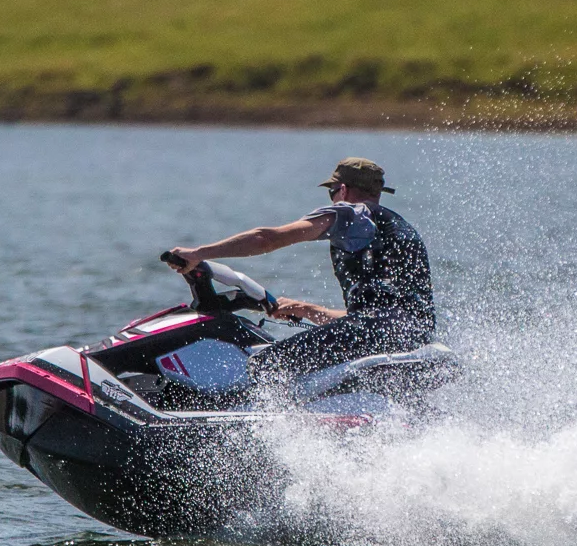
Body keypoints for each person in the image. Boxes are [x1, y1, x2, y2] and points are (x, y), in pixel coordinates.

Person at [166, 157, 435, 385]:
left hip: (378, 332)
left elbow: (267, 238)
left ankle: (262, 437)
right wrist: (307, 310)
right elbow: (378, 317)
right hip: (412, 335)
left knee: (266, 366)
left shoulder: (349, 214)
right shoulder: (399, 228)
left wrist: (198, 254)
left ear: (341, 190)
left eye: (331, 193)